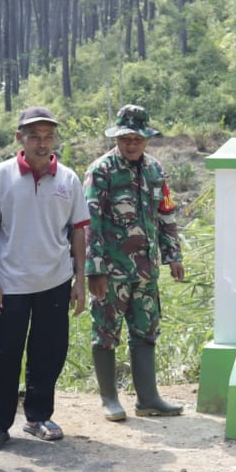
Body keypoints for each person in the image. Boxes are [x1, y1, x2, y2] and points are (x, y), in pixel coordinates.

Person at [0, 107, 88, 451]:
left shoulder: (68, 179)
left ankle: (38, 417)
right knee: (4, 354)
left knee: (49, 352)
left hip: (54, 280)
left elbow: (79, 233)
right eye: (34, 136)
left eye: (48, 136)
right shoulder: (1, 175)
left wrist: (80, 281)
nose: (42, 143)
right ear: (19, 137)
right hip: (11, 282)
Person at [84, 105, 185, 421]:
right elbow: (90, 222)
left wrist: (173, 256)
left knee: (145, 329)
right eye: (125, 138)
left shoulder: (156, 170)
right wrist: (95, 270)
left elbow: (165, 214)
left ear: (146, 139)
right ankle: (109, 399)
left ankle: (148, 398)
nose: (131, 144)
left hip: (146, 270)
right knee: (106, 331)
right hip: (111, 272)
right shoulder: (101, 170)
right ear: (117, 137)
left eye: (137, 138)